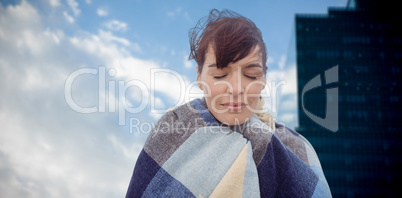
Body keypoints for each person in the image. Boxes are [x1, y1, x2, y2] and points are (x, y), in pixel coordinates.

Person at [125, 9, 331, 198]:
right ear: (199, 76)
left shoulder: (295, 147)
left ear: (264, 78)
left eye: (251, 75)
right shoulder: (172, 130)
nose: (235, 88)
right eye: (220, 75)